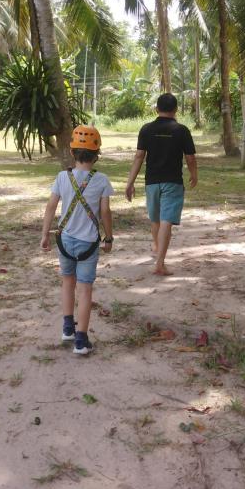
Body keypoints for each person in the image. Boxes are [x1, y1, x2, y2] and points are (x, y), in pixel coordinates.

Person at [41, 125, 114, 355]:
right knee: (85, 290)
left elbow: (51, 206)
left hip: (64, 240)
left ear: (72, 152)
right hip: (89, 243)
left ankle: (67, 328)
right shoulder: (102, 180)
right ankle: (81, 340)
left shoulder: (63, 177)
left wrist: (45, 234)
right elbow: (105, 212)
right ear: (97, 154)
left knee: (67, 283)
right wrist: (109, 237)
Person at [125, 93, 197, 275]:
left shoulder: (146, 129)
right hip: (172, 182)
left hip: (151, 182)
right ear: (176, 110)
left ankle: (157, 248)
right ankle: (159, 263)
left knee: (156, 219)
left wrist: (130, 182)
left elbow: (139, 157)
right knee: (166, 221)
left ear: (157, 109)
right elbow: (190, 158)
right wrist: (194, 174)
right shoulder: (182, 130)